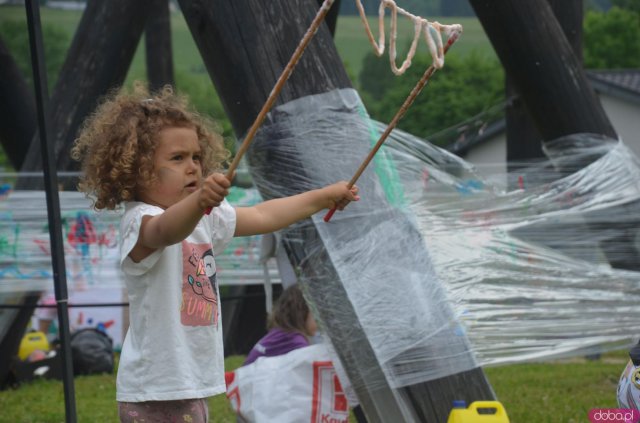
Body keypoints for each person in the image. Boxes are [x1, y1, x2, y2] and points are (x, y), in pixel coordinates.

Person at [70, 82, 359, 423]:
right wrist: (199, 200)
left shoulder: (205, 218)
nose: (192, 166)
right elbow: (166, 231)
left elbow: (264, 215)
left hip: (191, 384)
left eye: (196, 157)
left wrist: (322, 197)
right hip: (152, 390)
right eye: (177, 158)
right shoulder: (140, 221)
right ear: (136, 170)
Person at [244, 284, 317, 365]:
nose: (318, 320)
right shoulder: (296, 342)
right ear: (302, 313)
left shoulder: (279, 333)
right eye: (315, 312)